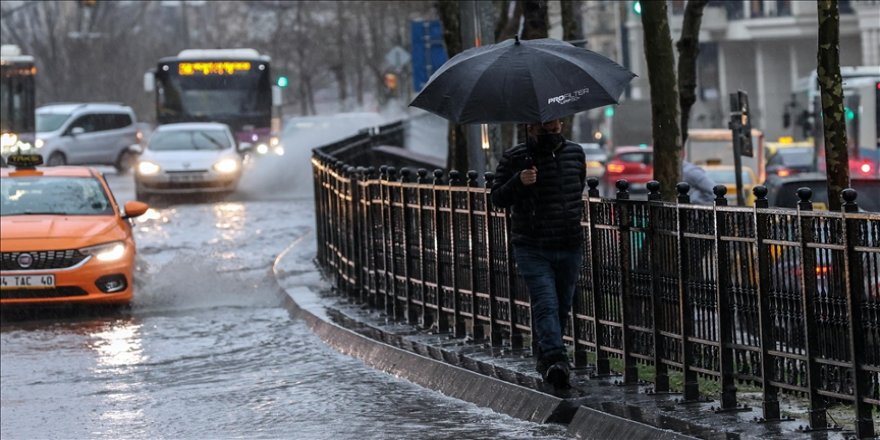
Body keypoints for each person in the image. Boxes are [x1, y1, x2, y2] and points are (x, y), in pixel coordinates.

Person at [490, 119, 586, 388]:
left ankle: (547, 358)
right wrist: (519, 181)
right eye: (543, 128)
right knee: (546, 302)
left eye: (555, 127)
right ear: (529, 127)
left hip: (568, 243)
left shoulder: (575, 153)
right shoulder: (515, 158)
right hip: (532, 245)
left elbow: (576, 189)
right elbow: (497, 197)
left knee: (562, 306)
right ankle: (557, 359)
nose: (550, 131)